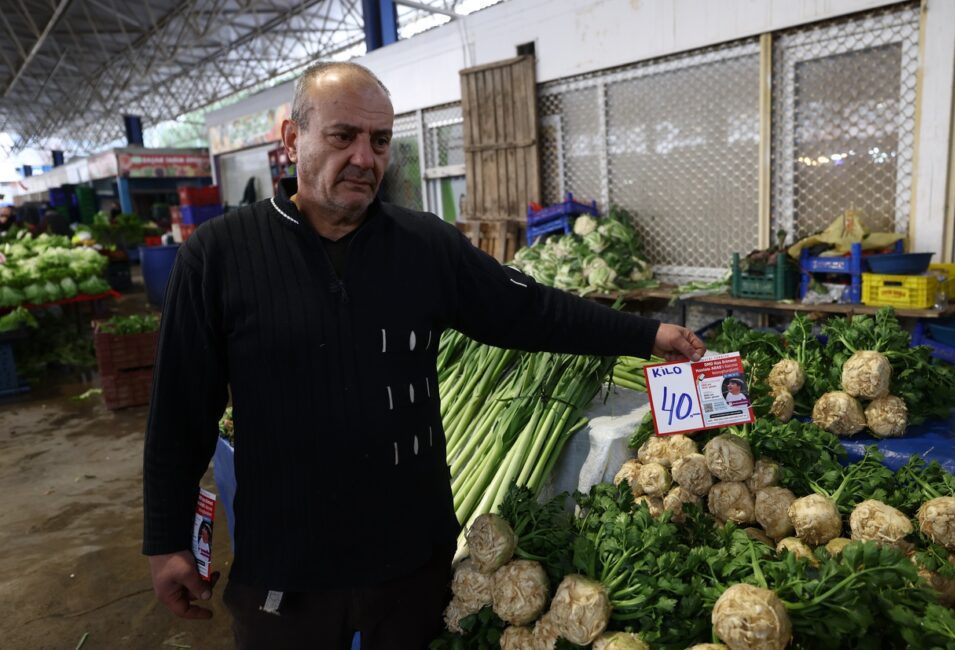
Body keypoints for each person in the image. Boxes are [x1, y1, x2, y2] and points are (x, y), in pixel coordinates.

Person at [143, 61, 705, 650]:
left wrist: (645, 336)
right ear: (292, 140)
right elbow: (179, 412)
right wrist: (166, 539)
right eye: (344, 136)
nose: (366, 157)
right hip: (287, 570)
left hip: (411, 567)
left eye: (380, 140)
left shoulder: (423, 246)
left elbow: (531, 310)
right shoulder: (217, 257)